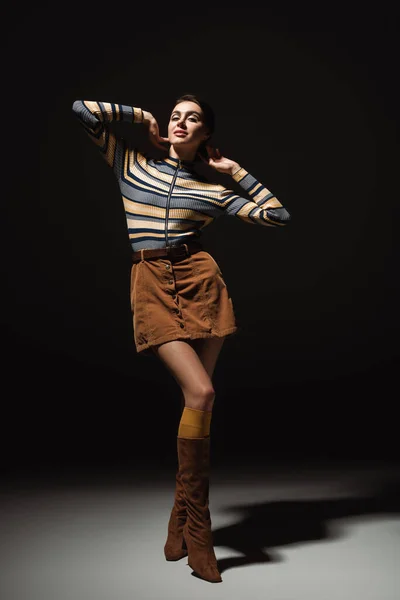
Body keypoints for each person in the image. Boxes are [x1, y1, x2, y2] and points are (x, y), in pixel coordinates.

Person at [72, 94, 291, 583]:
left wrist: (234, 170)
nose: (179, 122)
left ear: (205, 133)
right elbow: (82, 111)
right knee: (202, 392)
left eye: (192, 118)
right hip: (150, 284)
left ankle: (180, 524)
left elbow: (276, 215)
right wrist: (143, 118)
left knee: (200, 403)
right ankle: (200, 532)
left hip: (201, 282)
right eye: (175, 115)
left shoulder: (211, 190)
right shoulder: (130, 164)